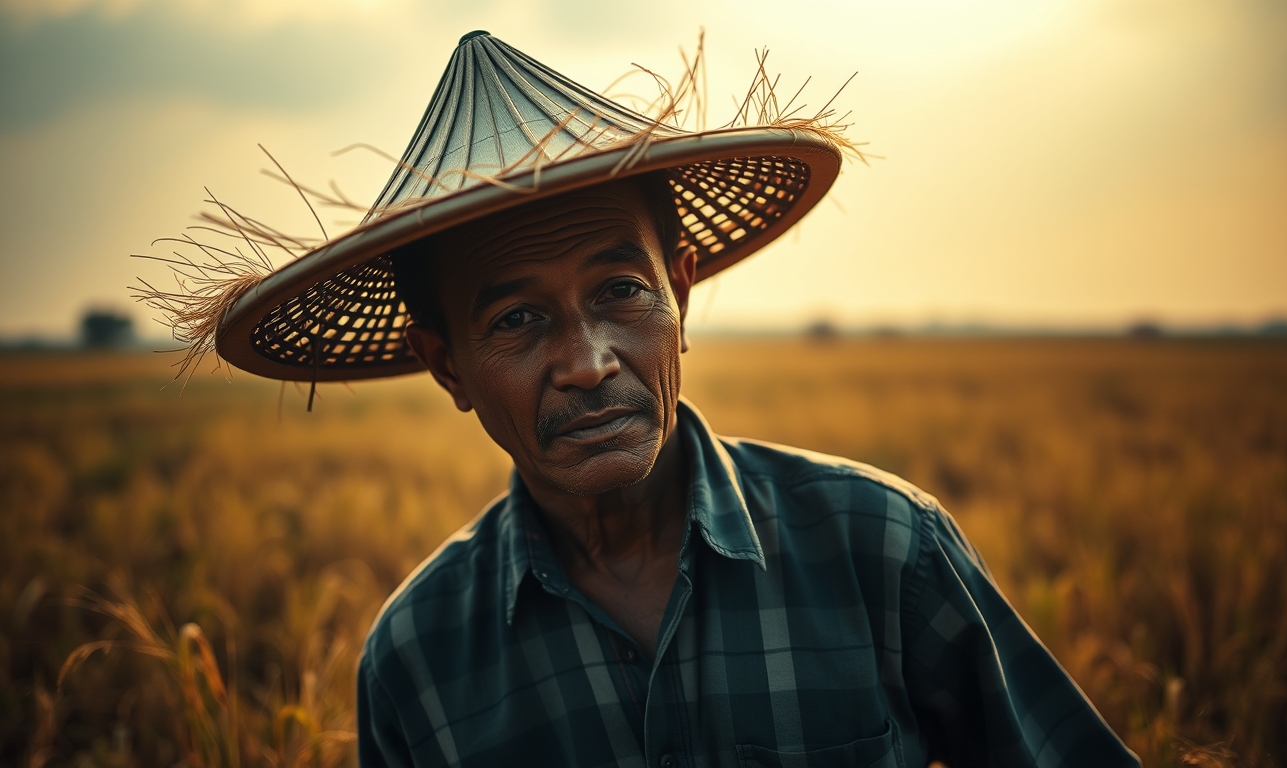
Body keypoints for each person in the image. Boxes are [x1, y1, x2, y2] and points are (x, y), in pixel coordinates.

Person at [166, 30, 1140, 768]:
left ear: (680, 295)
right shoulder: (419, 659)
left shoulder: (881, 549)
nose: (588, 361)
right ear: (447, 366)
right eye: (515, 322)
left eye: (621, 292)